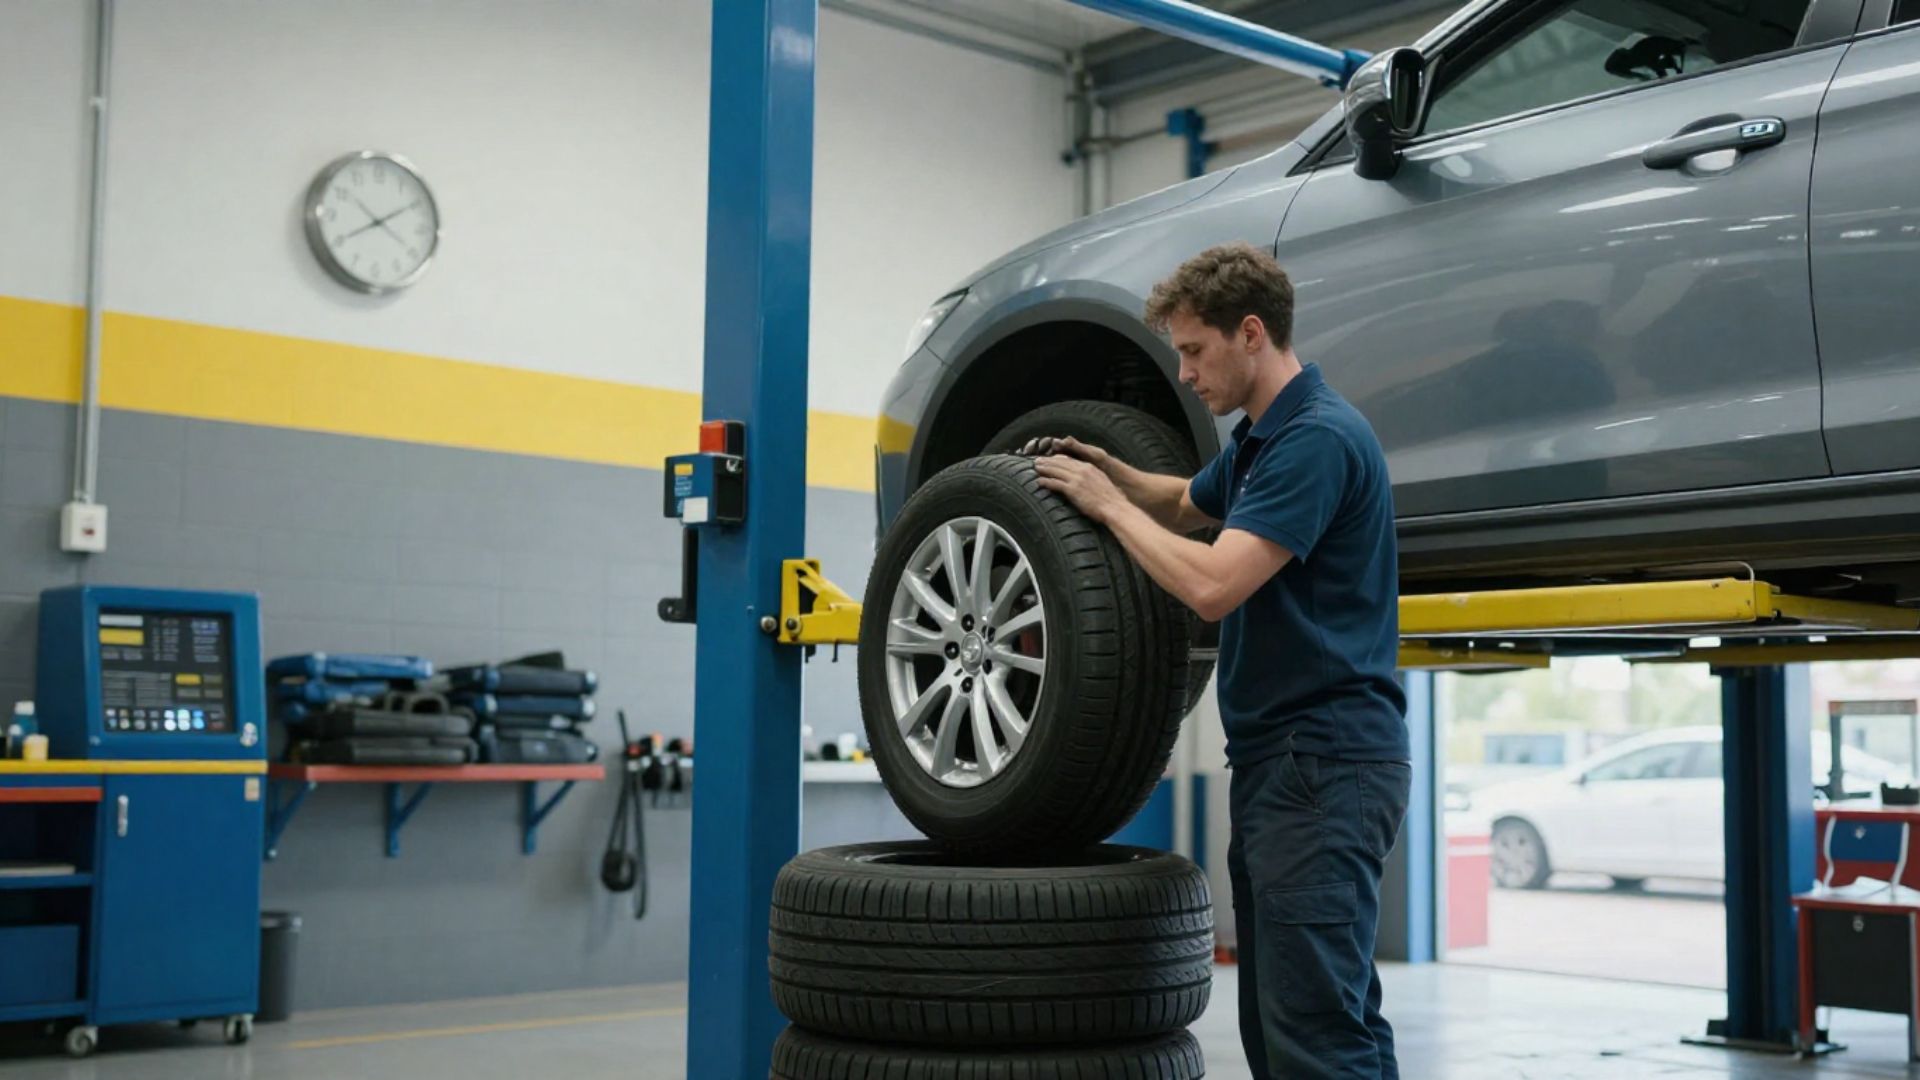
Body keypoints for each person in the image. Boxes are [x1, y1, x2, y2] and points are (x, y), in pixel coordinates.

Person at [1027, 242, 1411, 1079]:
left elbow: (1212, 585)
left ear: (1250, 334)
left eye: (1194, 351)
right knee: (1294, 1023)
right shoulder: (1261, 442)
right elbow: (1186, 502)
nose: (1185, 373)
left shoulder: (1314, 441)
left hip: (1322, 764)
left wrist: (1103, 510)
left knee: (1315, 1033)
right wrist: (1113, 472)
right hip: (1291, 767)